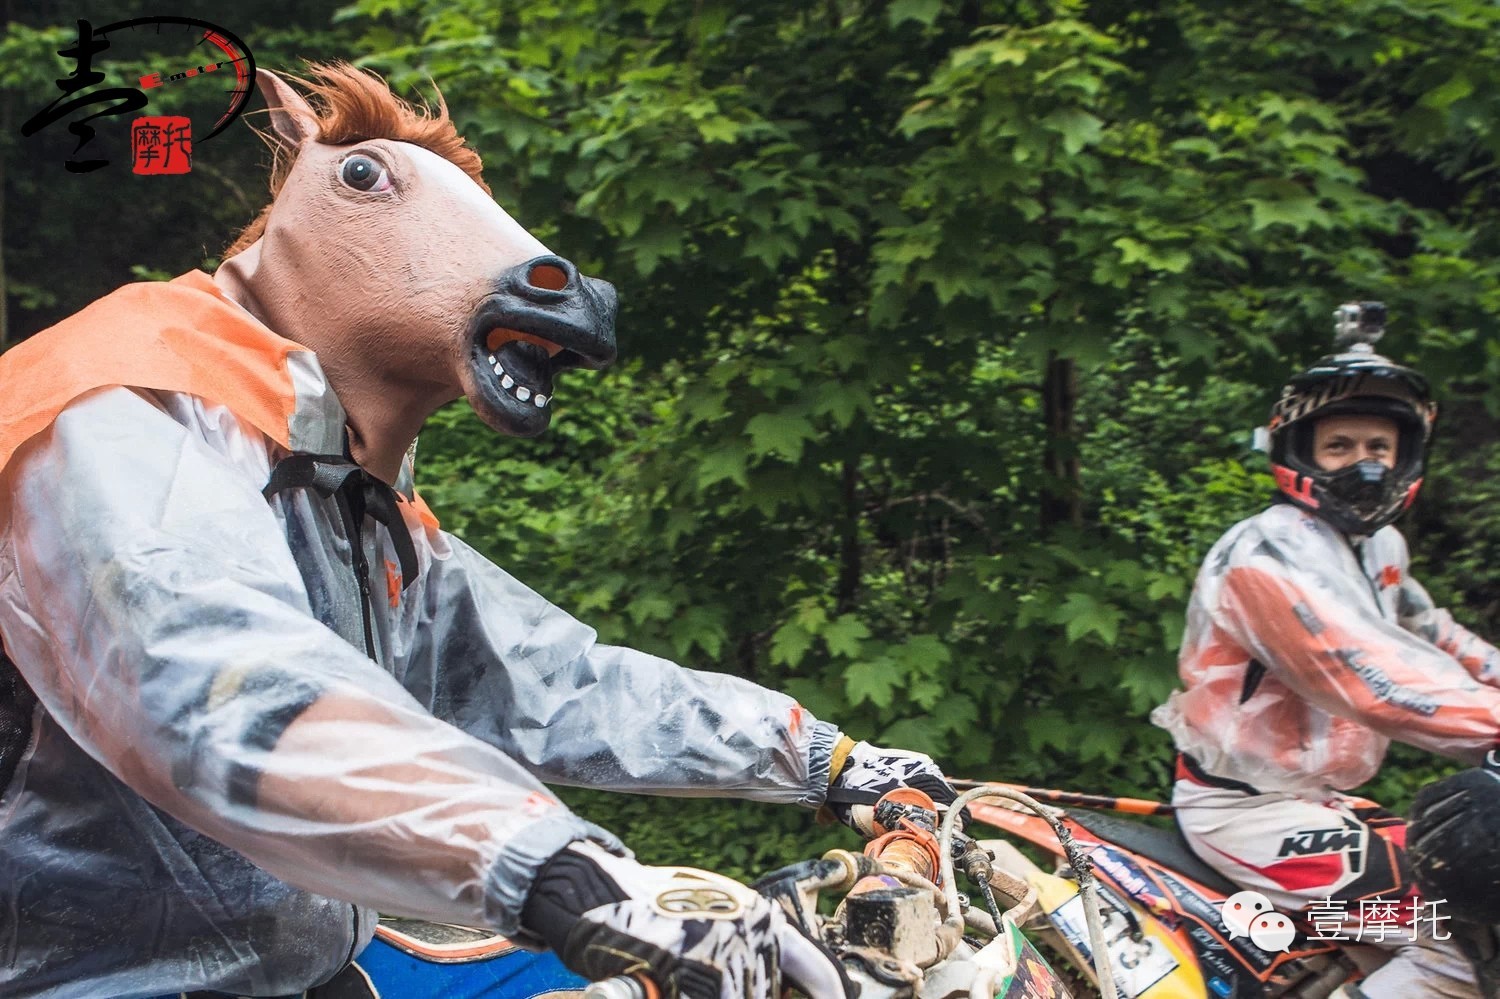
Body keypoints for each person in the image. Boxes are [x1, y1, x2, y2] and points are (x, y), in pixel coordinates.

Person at [0, 65, 957, 999]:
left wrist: (825, 758)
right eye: (368, 179)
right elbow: (215, 683)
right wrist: (557, 868)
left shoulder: (344, 493)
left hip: (311, 970)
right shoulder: (121, 409)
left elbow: (548, 678)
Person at [1150, 302, 1500, 999]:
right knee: (1461, 930)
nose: (1363, 465)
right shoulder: (1264, 556)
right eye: (1340, 446)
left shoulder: (1377, 547)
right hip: (1248, 815)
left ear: (1405, 456)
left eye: (1378, 447)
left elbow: (1440, 640)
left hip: (1320, 806)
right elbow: (1372, 679)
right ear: (1299, 453)